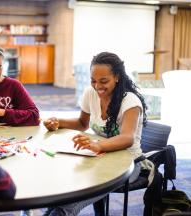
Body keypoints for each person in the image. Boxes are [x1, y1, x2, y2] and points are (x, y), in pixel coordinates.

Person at [43, 52, 148, 216]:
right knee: (60, 194)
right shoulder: (90, 93)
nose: (97, 86)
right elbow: (82, 123)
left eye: (104, 81)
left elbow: (127, 138)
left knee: (66, 206)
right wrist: (58, 122)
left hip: (128, 164)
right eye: (93, 80)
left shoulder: (130, 101)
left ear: (117, 77)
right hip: (99, 159)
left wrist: (97, 145)